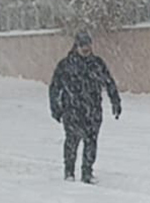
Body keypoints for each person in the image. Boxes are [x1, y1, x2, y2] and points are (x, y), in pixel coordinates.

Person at [49, 31, 122, 183]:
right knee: (72, 141)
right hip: (72, 110)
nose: (86, 48)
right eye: (82, 45)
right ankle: (69, 171)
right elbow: (55, 87)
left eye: (88, 45)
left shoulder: (97, 64)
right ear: (76, 46)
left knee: (91, 141)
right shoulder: (66, 65)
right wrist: (55, 107)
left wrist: (115, 101)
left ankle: (87, 172)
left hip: (93, 110)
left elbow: (109, 83)